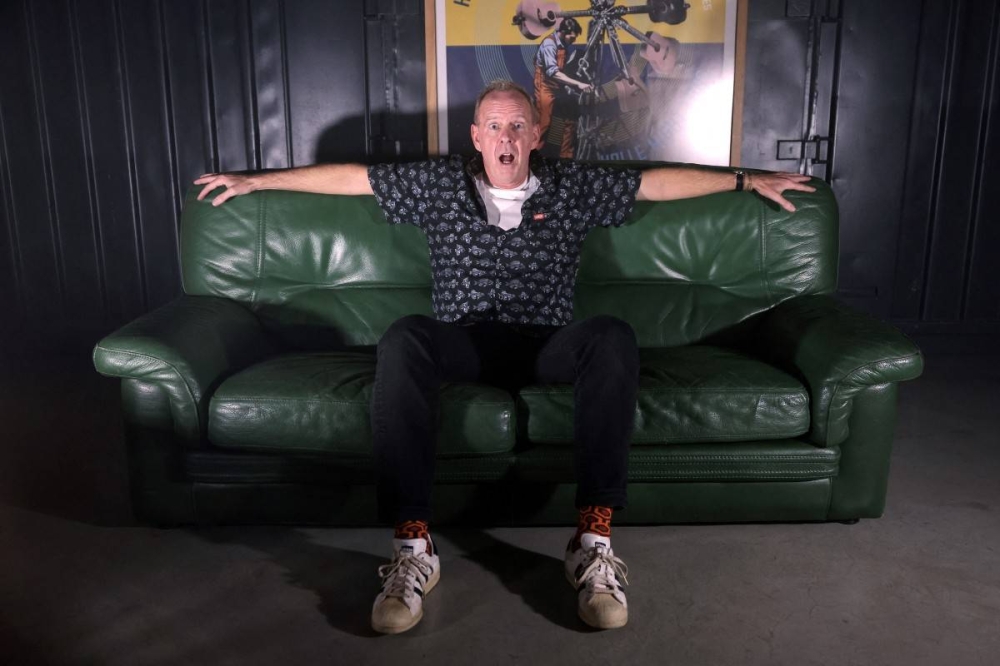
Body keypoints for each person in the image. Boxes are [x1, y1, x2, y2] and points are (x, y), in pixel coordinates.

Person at [194, 80, 814, 634]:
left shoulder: (572, 188)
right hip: (462, 340)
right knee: (405, 335)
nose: (506, 137)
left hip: (546, 343)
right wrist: (255, 181)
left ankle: (593, 542)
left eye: (518, 125)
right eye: (494, 126)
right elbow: (354, 178)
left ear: (536, 136)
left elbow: (655, 183)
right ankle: (413, 548)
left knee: (612, 335)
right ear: (477, 136)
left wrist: (746, 180)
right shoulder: (439, 184)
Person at [533, 17, 593, 158]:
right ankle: (533, 157)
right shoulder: (549, 44)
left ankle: (566, 157)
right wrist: (577, 84)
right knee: (544, 122)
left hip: (558, 86)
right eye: (572, 37)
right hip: (545, 86)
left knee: (569, 119)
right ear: (564, 32)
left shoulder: (563, 44)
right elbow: (553, 73)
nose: (574, 40)